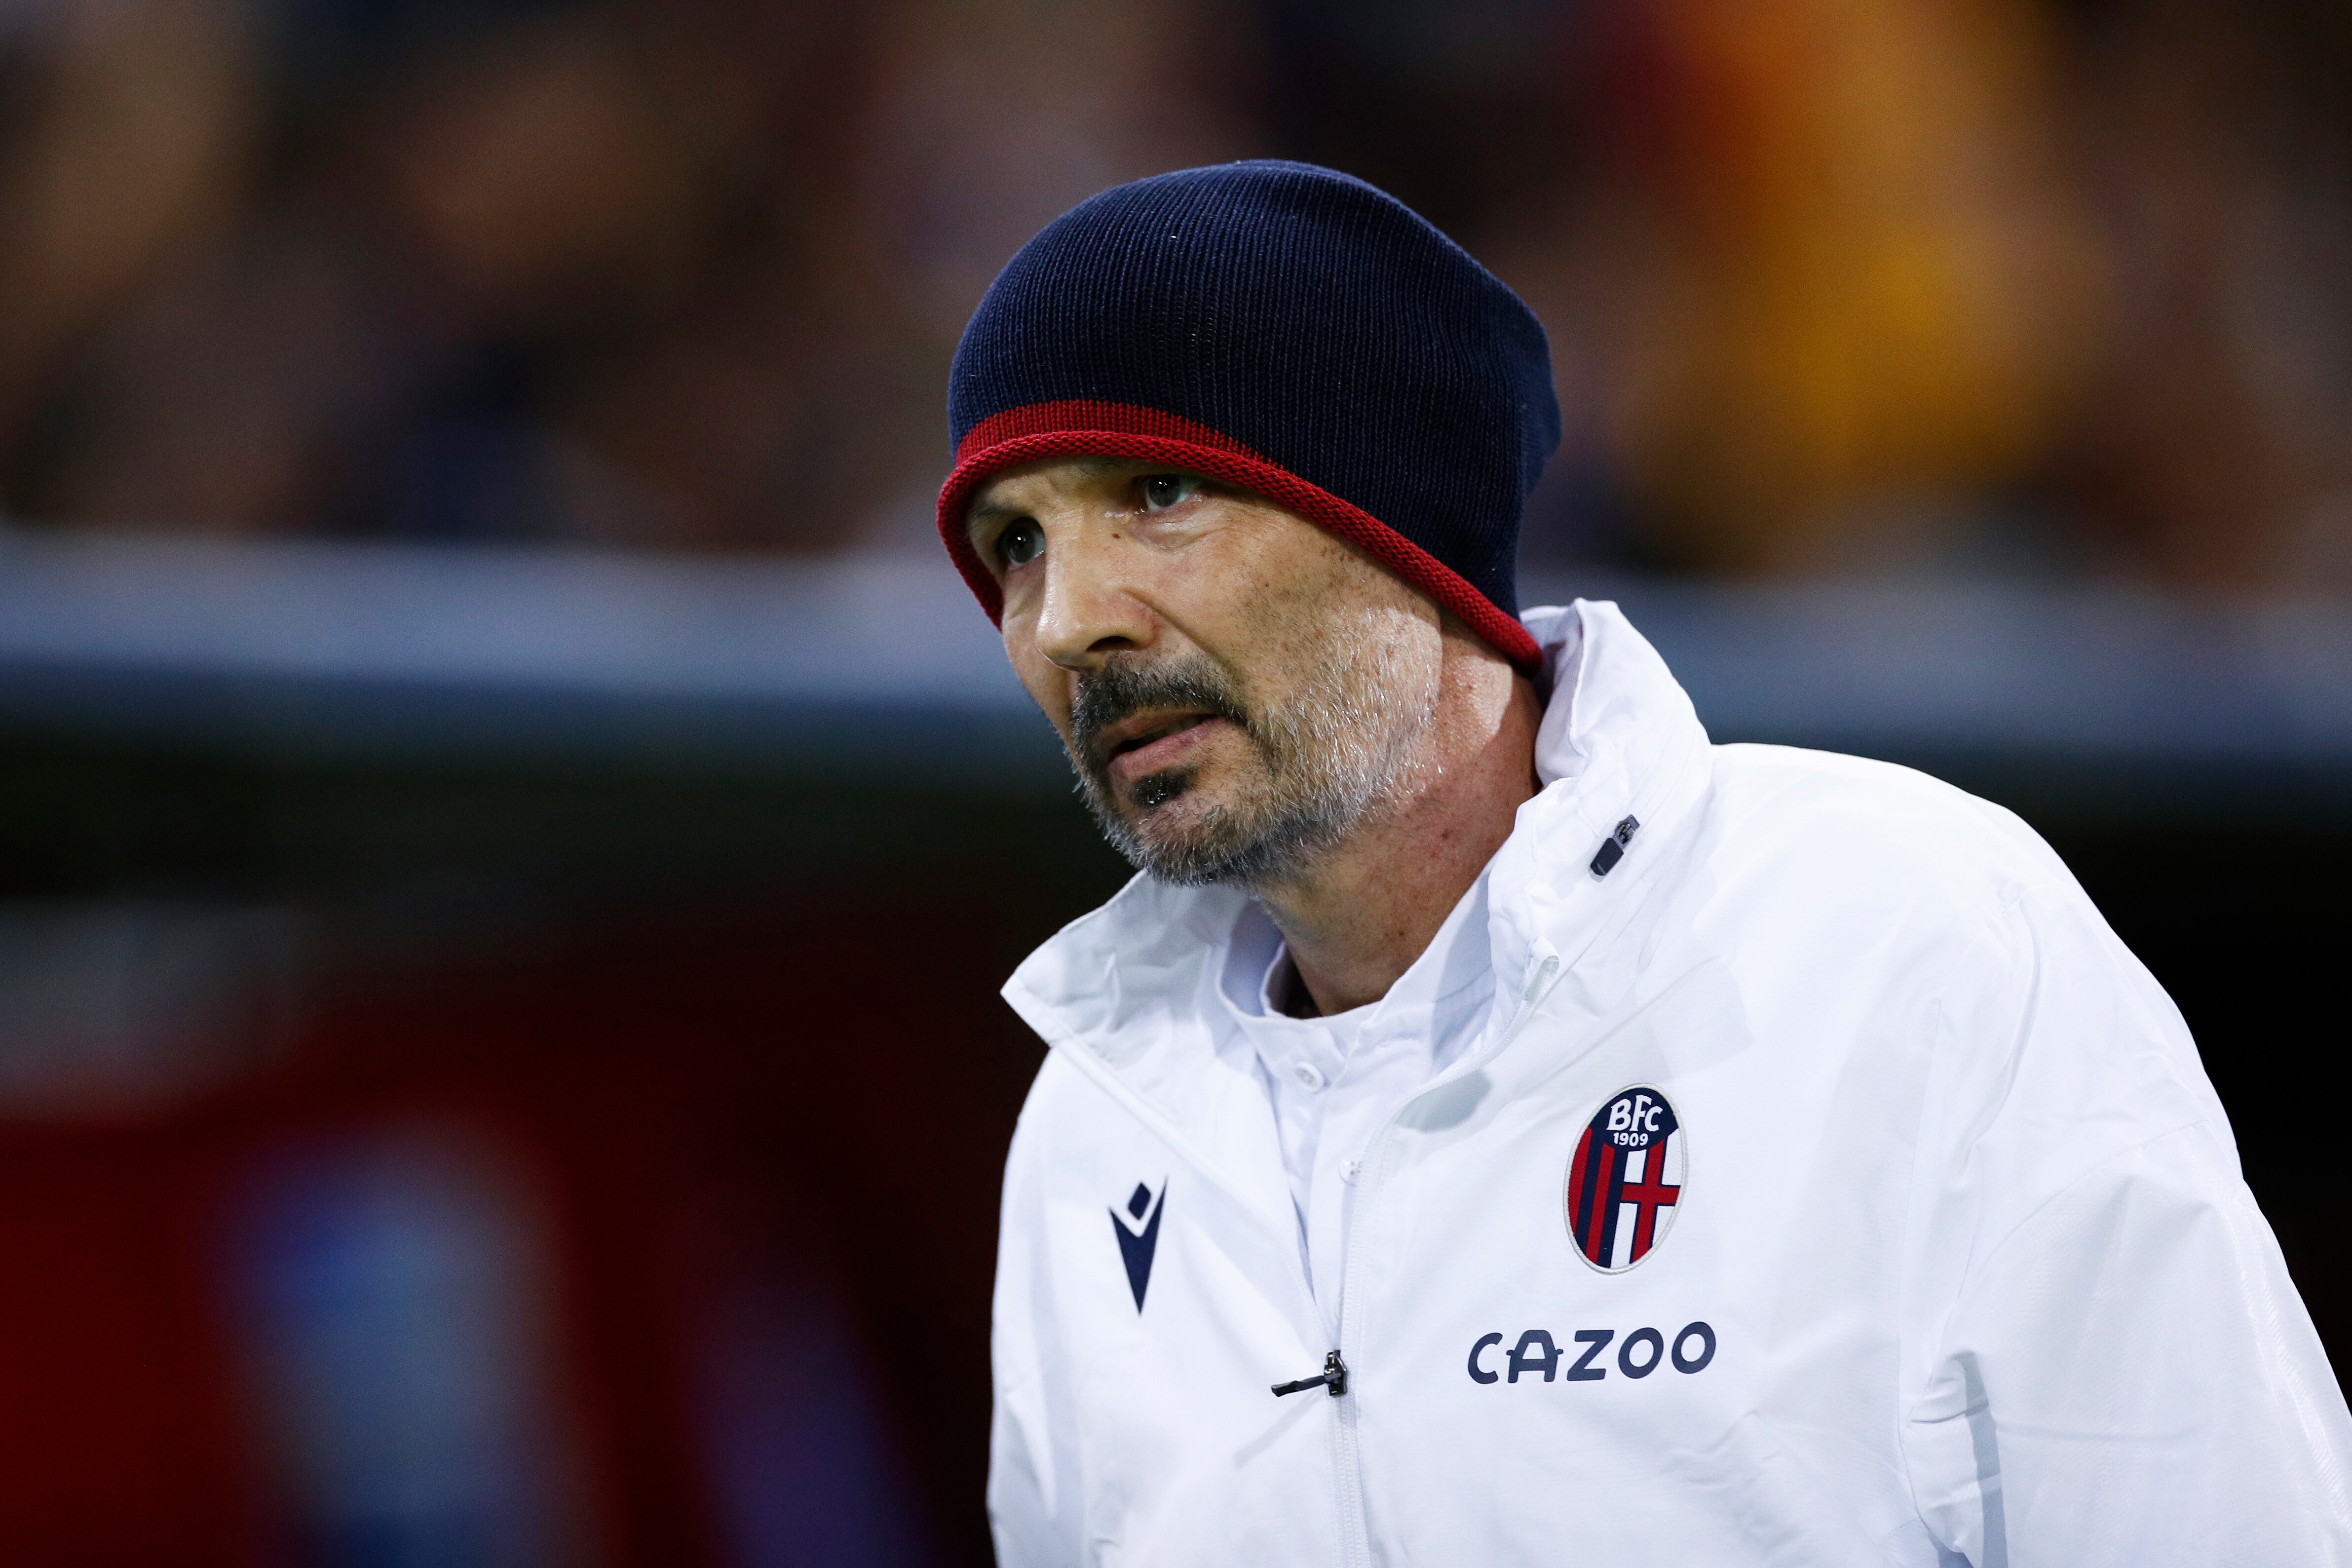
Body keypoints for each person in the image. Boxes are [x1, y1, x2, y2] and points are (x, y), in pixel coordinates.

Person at [934, 161, 2352, 1565]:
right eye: (1014, 544)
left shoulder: (1917, 941)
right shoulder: (1099, 1118)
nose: (1066, 624)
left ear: (1400, 526)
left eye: (1161, 491)